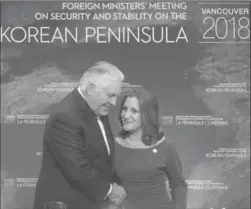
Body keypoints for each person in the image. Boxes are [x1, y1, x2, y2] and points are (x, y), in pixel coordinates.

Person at [33, 61, 127, 209]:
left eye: (116, 96)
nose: (114, 102)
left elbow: (101, 159)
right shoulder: (65, 116)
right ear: (90, 88)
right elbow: (78, 169)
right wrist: (110, 191)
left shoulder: (97, 107)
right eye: (110, 95)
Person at [112, 87, 187, 209]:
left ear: (147, 115)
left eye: (134, 111)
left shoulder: (166, 147)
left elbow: (179, 184)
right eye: (124, 109)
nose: (126, 115)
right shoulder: (113, 147)